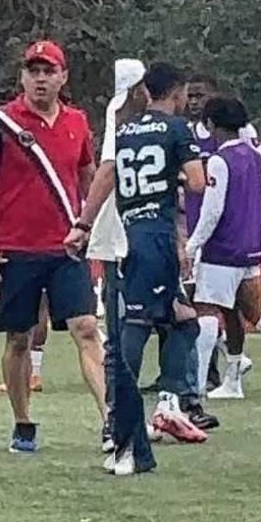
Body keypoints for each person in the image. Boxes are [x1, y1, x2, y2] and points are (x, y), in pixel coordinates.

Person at [0, 40, 108, 454]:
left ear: (63, 77)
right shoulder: (0, 122)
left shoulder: (78, 122)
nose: (40, 78)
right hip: (15, 247)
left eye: (48, 71)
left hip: (65, 246)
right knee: (18, 339)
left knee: (85, 328)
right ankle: (23, 421)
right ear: (22, 77)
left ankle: (110, 419)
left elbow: (88, 177)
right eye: (33, 71)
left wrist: (90, 225)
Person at [65, 62, 207, 473]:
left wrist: (83, 224)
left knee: (182, 320)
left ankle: (164, 405)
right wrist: (179, 178)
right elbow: (196, 182)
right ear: (177, 93)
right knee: (131, 341)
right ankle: (126, 440)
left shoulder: (125, 129)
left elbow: (107, 173)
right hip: (155, 239)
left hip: (128, 235)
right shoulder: (178, 129)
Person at [186, 96, 261, 401]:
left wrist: (192, 245)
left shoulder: (218, 160)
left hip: (222, 250)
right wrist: (255, 225)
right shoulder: (253, 155)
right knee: (243, 311)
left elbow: (212, 211)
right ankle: (234, 379)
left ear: (211, 125)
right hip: (250, 249)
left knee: (207, 310)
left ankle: (197, 385)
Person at [86, 59, 146, 439]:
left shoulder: (124, 113)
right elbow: (108, 169)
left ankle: (167, 399)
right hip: (122, 234)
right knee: (123, 325)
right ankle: (119, 415)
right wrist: (85, 221)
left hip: (129, 233)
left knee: (135, 321)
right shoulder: (120, 113)